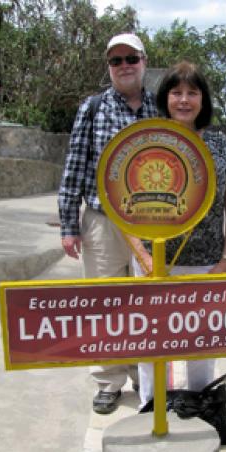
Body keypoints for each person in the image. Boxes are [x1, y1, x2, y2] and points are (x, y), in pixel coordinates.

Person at [132, 61, 226, 407]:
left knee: (200, 344)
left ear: (202, 100)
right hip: (155, 264)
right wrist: (144, 256)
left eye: (192, 92)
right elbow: (123, 209)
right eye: (176, 92)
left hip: (206, 263)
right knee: (150, 343)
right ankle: (150, 407)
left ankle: (199, 406)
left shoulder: (219, 143)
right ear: (165, 97)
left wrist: (225, 259)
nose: (183, 100)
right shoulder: (146, 139)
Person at [58, 33, 157, 414]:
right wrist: (69, 225)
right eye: (116, 61)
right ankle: (108, 379)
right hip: (102, 220)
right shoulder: (93, 107)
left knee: (143, 301)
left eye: (131, 58)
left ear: (144, 61)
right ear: (109, 68)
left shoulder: (159, 107)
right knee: (104, 301)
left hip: (149, 224)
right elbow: (75, 166)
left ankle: (140, 373)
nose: (124, 66)